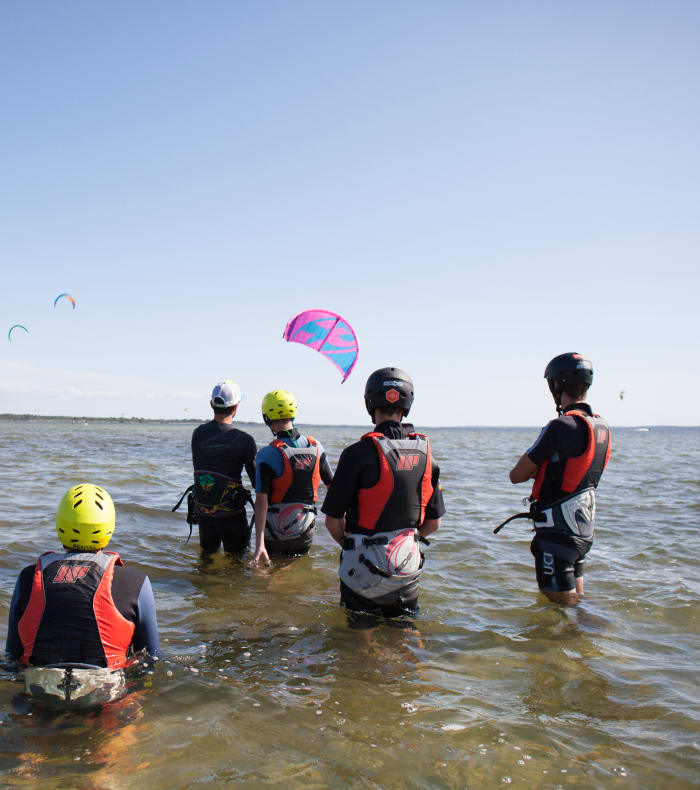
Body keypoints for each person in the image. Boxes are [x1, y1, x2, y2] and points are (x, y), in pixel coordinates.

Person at [5, 484, 160, 707]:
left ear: (60, 525)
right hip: (105, 693)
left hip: (40, 690)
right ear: (109, 527)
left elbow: (12, 654)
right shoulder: (135, 581)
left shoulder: (28, 576)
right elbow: (152, 657)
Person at [321, 367, 445, 618]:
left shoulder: (356, 453)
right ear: (407, 404)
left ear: (369, 402)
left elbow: (333, 521)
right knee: (405, 634)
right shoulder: (426, 455)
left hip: (365, 568)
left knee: (360, 638)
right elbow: (434, 523)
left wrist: (349, 545)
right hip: (407, 565)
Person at [508, 353, 611, 605]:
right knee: (577, 604)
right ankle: (591, 643)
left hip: (556, 534)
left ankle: (580, 641)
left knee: (557, 607)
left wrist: (537, 470)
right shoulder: (601, 427)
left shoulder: (561, 426)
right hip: (581, 532)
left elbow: (516, 475)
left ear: (556, 385)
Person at [251, 390, 334, 564]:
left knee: (271, 575)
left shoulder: (267, 454)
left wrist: (260, 545)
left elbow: (261, 502)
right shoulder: (317, 447)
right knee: (296, 568)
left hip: (274, 532)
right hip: (305, 530)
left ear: (267, 418)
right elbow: (333, 488)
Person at [190, 380, 257, 553]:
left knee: (206, 559)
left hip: (204, 512)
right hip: (231, 514)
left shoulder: (198, 434)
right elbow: (258, 483)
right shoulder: (245, 440)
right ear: (235, 407)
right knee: (237, 564)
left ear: (212, 404)